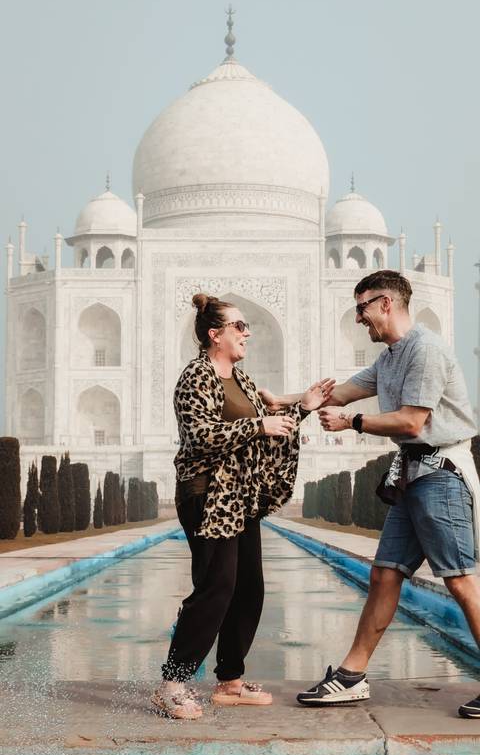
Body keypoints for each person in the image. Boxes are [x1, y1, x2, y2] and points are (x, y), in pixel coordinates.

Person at [262, 270, 480, 719]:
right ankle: (351, 676)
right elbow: (341, 393)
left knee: (459, 581)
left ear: (385, 303)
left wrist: (353, 424)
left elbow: (412, 422)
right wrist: (282, 402)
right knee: (384, 574)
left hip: (441, 475)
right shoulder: (391, 357)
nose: (358, 318)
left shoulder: (425, 350)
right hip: (414, 477)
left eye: (361, 308)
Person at [152, 293, 334, 719]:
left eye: (247, 326)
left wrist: (301, 409)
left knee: (249, 587)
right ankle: (172, 683)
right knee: (216, 587)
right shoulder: (195, 376)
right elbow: (201, 435)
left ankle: (230, 680)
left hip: (240, 496)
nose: (247, 332)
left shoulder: (244, 381)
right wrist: (259, 423)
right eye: (239, 326)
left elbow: (267, 429)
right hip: (206, 494)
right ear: (215, 335)